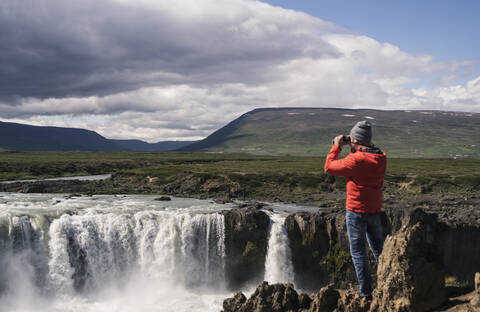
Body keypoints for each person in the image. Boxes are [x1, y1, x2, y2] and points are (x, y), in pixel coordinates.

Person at [324, 120, 387, 300]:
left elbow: (329, 167)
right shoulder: (381, 157)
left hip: (356, 211)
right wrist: (353, 145)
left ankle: (366, 294)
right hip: (374, 210)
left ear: (356, 140)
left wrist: (337, 146)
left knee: (358, 253)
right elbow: (364, 157)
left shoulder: (356, 159)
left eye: (352, 138)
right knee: (378, 250)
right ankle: (387, 282)